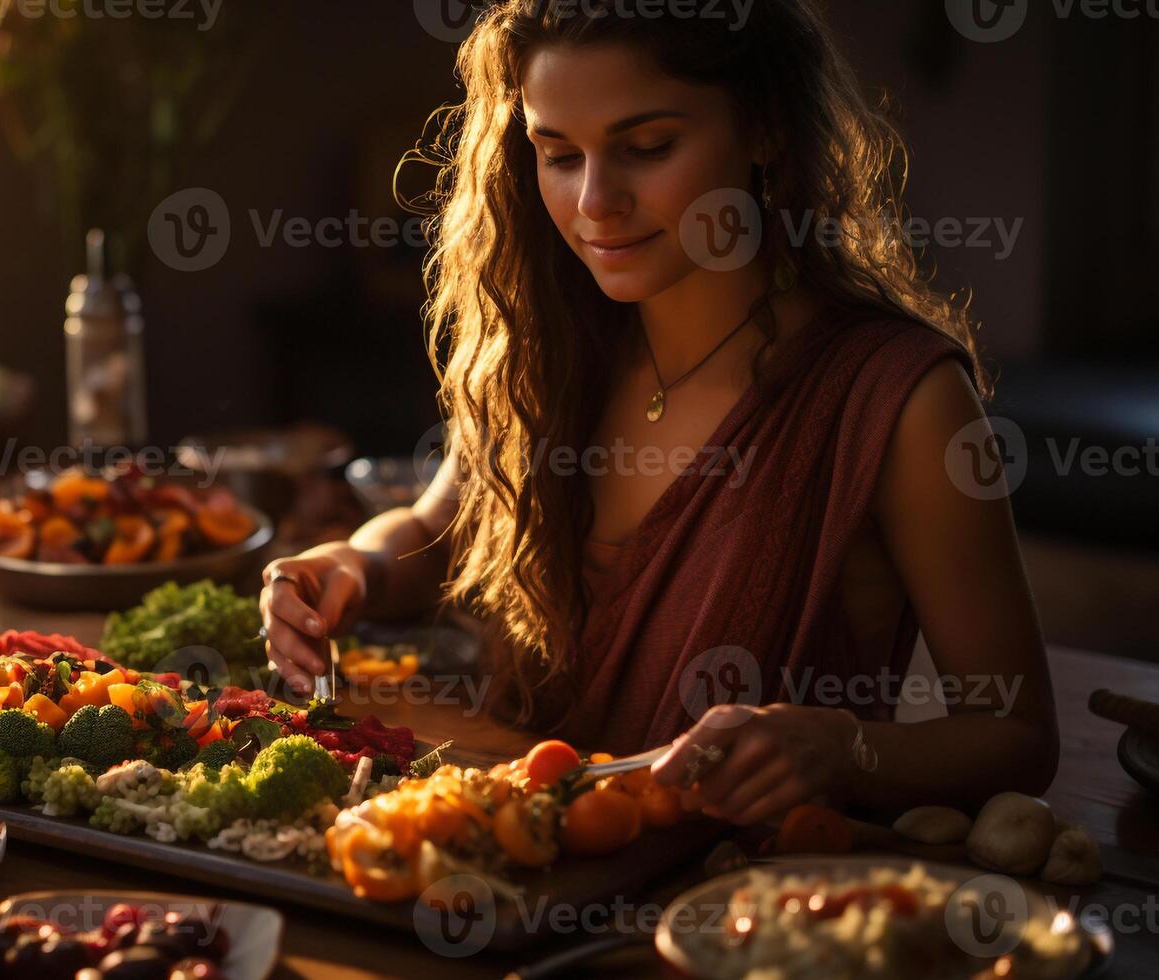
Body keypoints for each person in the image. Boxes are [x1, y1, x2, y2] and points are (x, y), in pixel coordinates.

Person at [260, 0, 1057, 824]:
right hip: (512, 867)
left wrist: (840, 747)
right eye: (559, 155)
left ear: (766, 132)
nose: (596, 201)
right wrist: (353, 566)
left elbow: (1018, 734)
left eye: (647, 148)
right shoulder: (550, 349)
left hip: (737, 913)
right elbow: (436, 532)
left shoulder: (899, 400)